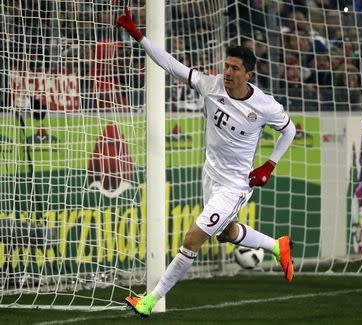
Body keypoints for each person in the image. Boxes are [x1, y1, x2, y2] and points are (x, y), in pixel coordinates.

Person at [116, 6, 297, 317]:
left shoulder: (265, 105)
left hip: (234, 185)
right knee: (227, 233)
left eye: (234, 69)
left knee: (193, 238)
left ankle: (149, 301)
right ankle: (276, 245)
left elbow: (289, 130)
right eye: (226, 66)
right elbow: (171, 65)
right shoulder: (211, 85)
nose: (227, 72)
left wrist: (270, 164)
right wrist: (138, 36)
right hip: (209, 176)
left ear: (248, 74)